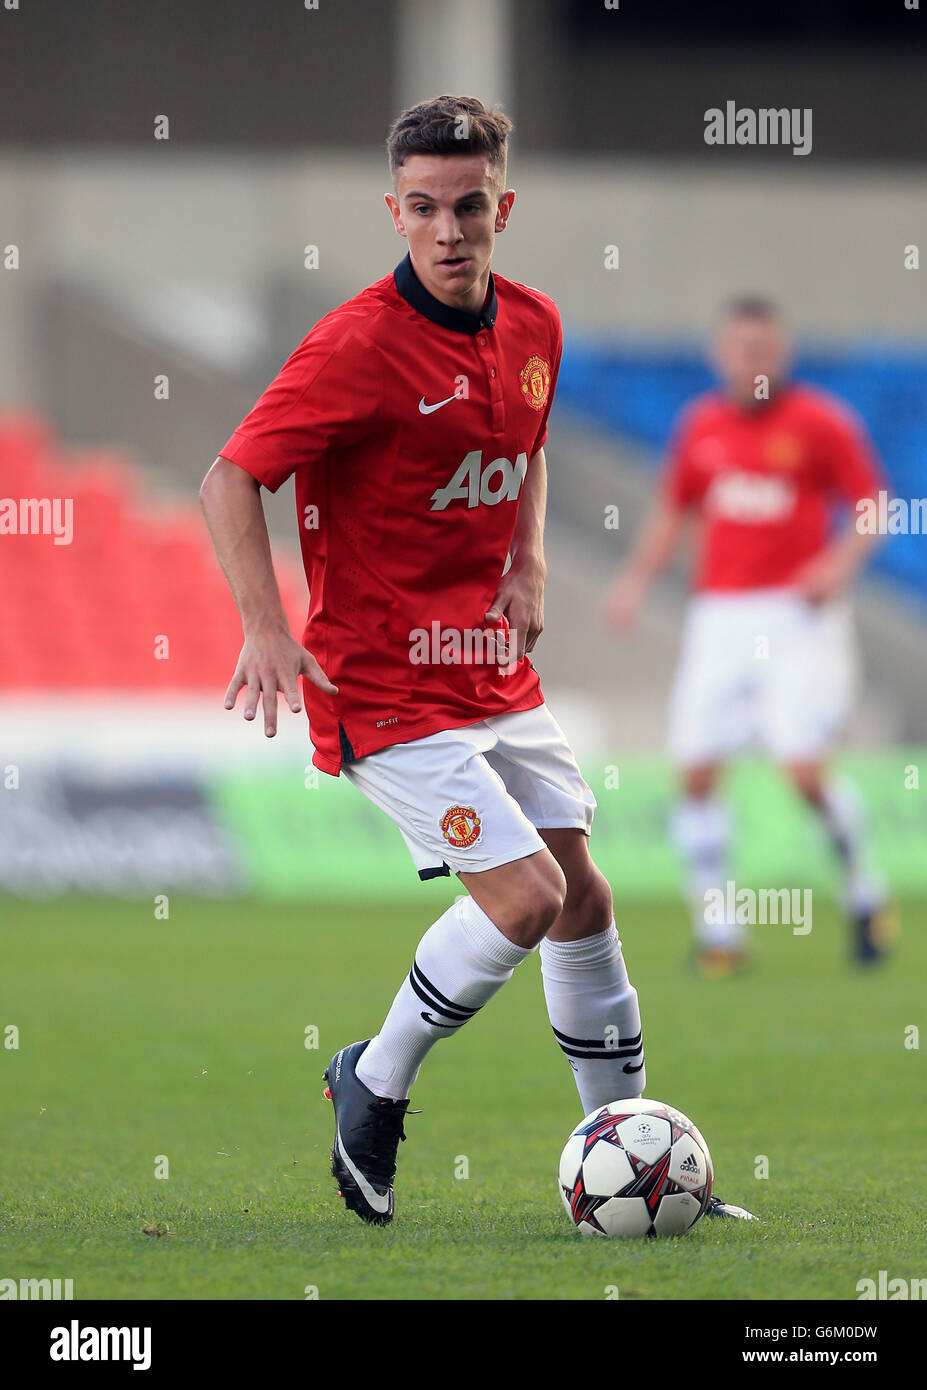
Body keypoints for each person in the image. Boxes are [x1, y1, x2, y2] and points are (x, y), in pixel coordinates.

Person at [201, 95, 751, 1225]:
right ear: (393, 211)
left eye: (467, 207)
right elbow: (230, 477)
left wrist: (532, 560)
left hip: (489, 668)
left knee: (586, 895)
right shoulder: (355, 346)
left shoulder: (535, 326)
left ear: (503, 204)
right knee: (530, 895)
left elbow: (529, 445)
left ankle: (630, 1158)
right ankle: (373, 1078)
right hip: (383, 684)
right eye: (422, 208)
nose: (446, 230)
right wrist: (266, 623)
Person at [604, 296, 894, 977]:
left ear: (780, 355)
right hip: (720, 618)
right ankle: (719, 933)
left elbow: (872, 504)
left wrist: (837, 562)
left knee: (802, 772)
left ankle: (864, 894)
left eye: (762, 351)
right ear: (719, 356)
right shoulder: (701, 427)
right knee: (696, 773)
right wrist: (633, 582)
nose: (750, 363)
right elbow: (672, 509)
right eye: (739, 350)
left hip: (796, 618)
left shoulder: (820, 423)